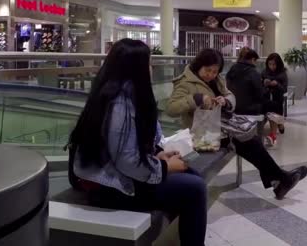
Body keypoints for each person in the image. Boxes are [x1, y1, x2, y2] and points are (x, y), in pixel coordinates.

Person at [68, 39, 207, 246]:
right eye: (149, 63)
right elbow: (126, 161)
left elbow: (126, 150)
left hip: (116, 176)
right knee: (194, 187)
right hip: (110, 187)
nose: (151, 69)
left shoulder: (118, 94)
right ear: (136, 68)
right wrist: (165, 166)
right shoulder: (120, 105)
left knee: (190, 176)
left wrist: (157, 156)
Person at [166, 48, 307, 200]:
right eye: (208, 70)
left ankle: (279, 181)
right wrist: (196, 99)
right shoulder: (185, 82)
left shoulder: (216, 79)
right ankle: (280, 180)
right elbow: (171, 108)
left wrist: (225, 101)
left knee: (249, 141)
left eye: (215, 71)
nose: (211, 75)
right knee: (248, 142)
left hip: (219, 129)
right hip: (201, 135)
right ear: (198, 65)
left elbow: (229, 94)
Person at [261, 53, 288, 141]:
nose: (271, 66)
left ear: (278, 64)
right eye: (270, 64)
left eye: (274, 64)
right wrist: (264, 83)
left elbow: (284, 89)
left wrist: (277, 84)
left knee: (275, 111)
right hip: (267, 97)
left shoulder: (282, 74)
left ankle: (275, 131)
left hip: (277, 98)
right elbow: (259, 84)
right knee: (270, 112)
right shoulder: (264, 72)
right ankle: (274, 133)